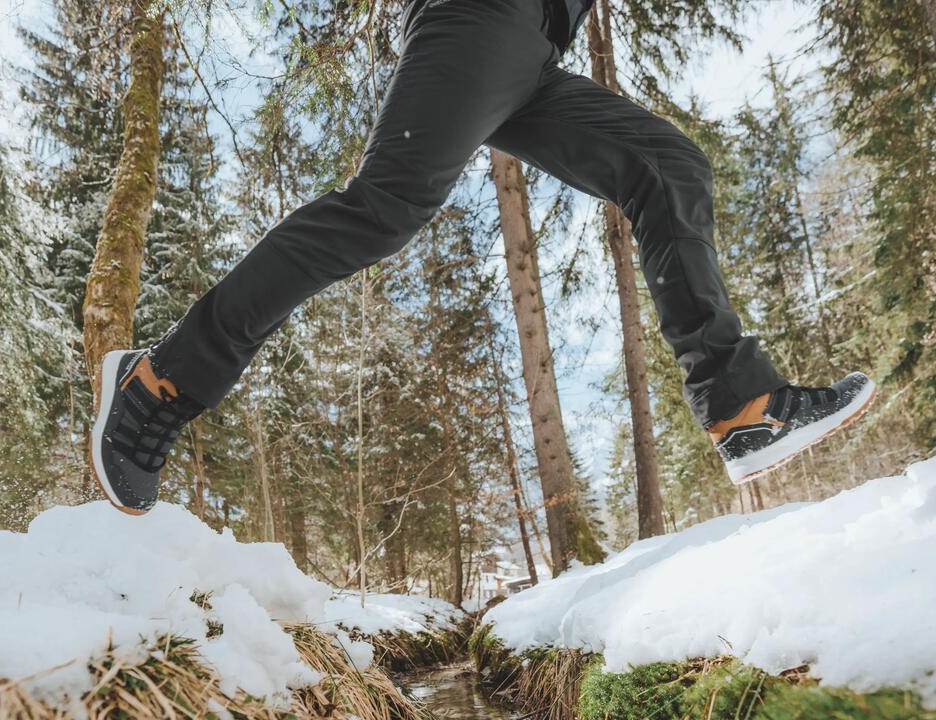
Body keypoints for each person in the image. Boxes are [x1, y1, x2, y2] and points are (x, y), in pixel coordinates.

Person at [89, 0, 874, 515]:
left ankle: (743, 408)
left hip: (532, 46)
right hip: (479, 15)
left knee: (669, 171)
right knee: (385, 208)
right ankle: (160, 382)